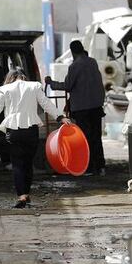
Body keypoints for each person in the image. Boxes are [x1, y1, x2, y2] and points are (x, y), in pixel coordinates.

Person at [0, 68, 69, 208]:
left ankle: (21, 196)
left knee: (17, 164)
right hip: (31, 130)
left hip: (13, 131)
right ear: (24, 76)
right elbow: (46, 104)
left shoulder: (5, 89)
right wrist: (61, 117)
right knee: (28, 163)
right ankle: (26, 194)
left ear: (10, 77)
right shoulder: (34, 86)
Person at [46, 41, 106, 175]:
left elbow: (67, 86)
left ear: (72, 51)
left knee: (85, 138)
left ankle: (89, 168)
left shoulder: (75, 66)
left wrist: (51, 83)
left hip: (82, 109)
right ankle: (101, 166)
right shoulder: (93, 62)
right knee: (96, 137)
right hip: (96, 106)